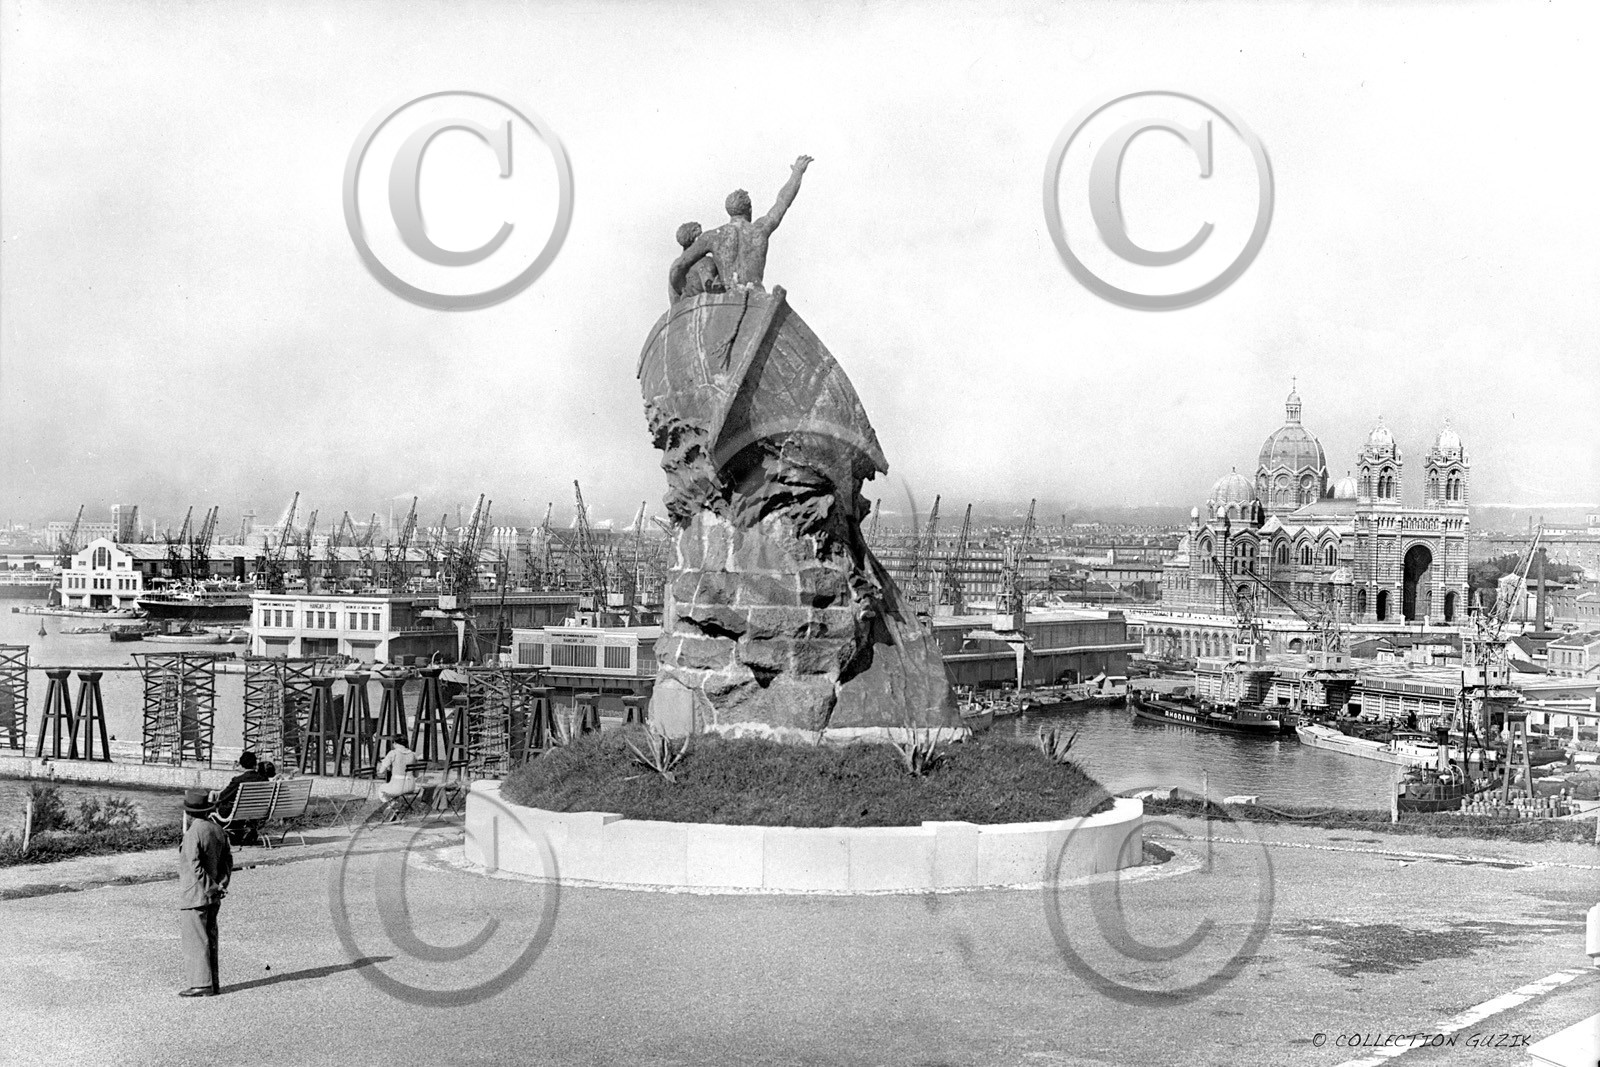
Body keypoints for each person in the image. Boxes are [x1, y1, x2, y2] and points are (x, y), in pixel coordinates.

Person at [669, 154, 812, 301]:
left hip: (728, 299)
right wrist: (797, 173)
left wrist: (680, 292)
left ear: (729, 211)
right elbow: (782, 203)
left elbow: (679, 265)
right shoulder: (760, 229)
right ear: (749, 209)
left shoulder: (713, 237)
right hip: (756, 296)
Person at [177, 789, 232, 997]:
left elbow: (194, 864)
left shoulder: (193, 833)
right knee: (210, 938)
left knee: (196, 940)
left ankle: (201, 983)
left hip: (195, 894)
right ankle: (212, 983)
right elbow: (228, 861)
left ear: (189, 813)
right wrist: (220, 885)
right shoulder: (218, 829)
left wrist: (210, 886)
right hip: (213, 894)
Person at [213, 751, 268, 846]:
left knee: (216, 808)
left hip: (236, 813)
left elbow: (223, 796)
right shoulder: (263, 779)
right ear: (255, 764)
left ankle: (233, 834)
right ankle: (243, 833)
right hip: (257, 812)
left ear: (242, 765)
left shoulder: (238, 780)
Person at [669, 221, 722, 302]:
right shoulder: (704, 262)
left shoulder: (675, 264)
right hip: (704, 298)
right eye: (700, 237)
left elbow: (673, 295)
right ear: (694, 240)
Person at [375, 733, 422, 819]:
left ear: (395, 743)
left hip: (398, 787)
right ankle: (393, 806)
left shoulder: (393, 753)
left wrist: (387, 766)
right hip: (411, 787)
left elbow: (381, 771)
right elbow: (416, 774)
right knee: (394, 791)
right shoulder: (413, 754)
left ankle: (392, 805)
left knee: (381, 789)